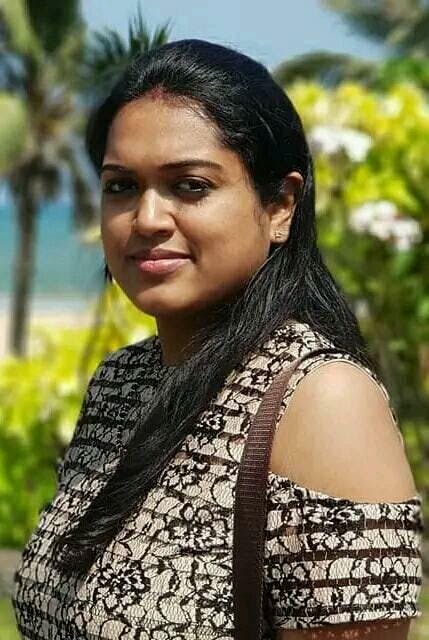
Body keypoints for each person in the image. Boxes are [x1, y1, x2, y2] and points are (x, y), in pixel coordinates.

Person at [12, 39, 423, 640]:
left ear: (280, 206)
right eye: (121, 186)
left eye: (190, 186)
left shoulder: (318, 401)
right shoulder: (121, 383)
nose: (147, 219)